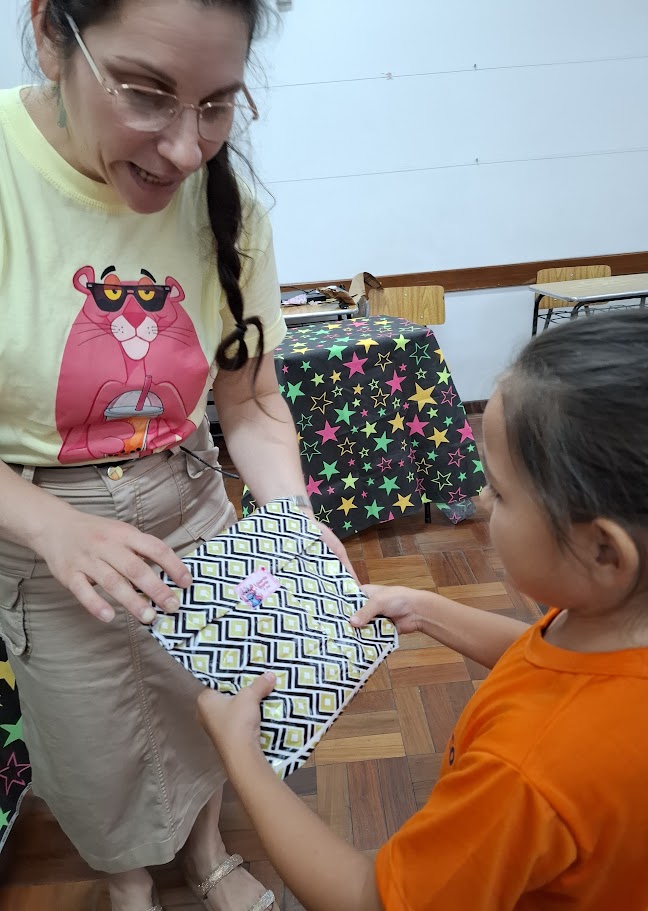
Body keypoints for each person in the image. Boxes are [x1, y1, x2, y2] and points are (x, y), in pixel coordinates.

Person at [0, 2, 350, 910]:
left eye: (218, 104)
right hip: (33, 521)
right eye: (146, 93)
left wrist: (290, 519)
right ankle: (127, 883)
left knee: (207, 697)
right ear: (50, 35)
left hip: (188, 496)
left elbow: (250, 401)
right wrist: (52, 527)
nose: (188, 149)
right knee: (88, 738)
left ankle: (206, 853)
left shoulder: (229, 209)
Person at [199, 308, 648, 911]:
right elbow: (545, 663)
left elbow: (368, 899)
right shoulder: (635, 631)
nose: (482, 500)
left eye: (500, 491)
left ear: (605, 552)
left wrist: (244, 758)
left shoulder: (523, 774)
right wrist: (424, 608)